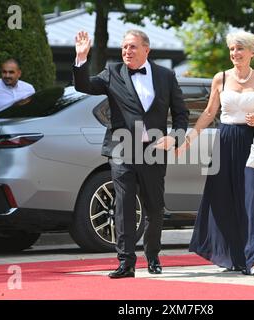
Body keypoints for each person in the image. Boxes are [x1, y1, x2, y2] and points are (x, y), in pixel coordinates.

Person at [73, 30, 189, 279]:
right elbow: (84, 86)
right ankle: (126, 262)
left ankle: (153, 256)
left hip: (154, 150)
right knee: (123, 206)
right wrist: (81, 58)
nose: (127, 51)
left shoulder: (166, 76)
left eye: (132, 47)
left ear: (147, 49)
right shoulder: (112, 72)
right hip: (122, 149)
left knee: (155, 207)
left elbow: (181, 114)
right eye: (124, 47)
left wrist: (175, 137)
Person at [177, 30, 254, 277]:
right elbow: (208, 112)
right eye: (232, 49)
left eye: (240, 49)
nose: (235, 53)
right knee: (223, 198)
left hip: (253, 142)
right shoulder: (220, 78)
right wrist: (189, 138)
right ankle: (234, 256)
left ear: (252, 52)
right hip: (225, 141)